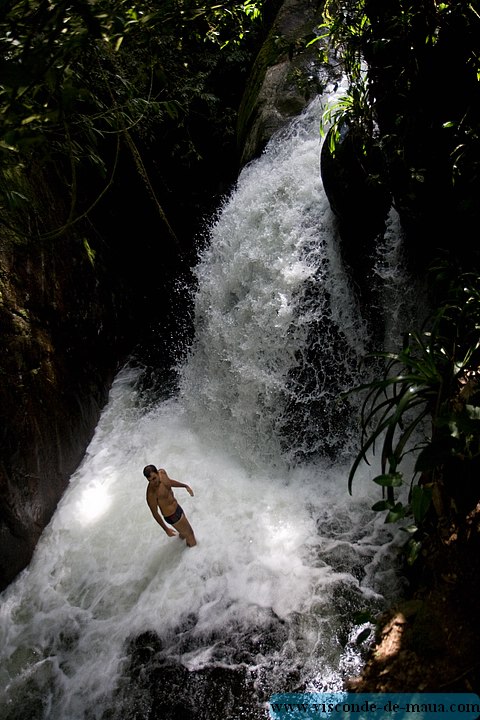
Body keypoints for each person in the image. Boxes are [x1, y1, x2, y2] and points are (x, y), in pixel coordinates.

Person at [143, 465, 197, 547]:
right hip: (172, 516)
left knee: (183, 534)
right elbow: (155, 513)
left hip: (177, 507)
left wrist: (184, 486)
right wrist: (166, 529)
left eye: (154, 478)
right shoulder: (151, 494)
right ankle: (194, 553)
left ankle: (182, 549)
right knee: (190, 535)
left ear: (158, 473)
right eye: (149, 480)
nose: (153, 482)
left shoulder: (163, 473)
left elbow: (169, 482)